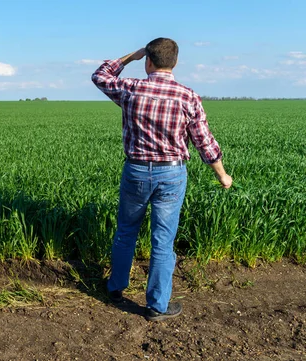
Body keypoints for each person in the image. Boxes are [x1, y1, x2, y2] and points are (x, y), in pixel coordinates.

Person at [91, 38, 233, 321]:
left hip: (136, 170)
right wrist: (222, 175)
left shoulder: (131, 89)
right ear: (176, 62)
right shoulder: (187, 96)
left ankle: (116, 287)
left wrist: (130, 57)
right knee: (162, 240)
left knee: (126, 232)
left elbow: (99, 75)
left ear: (148, 61)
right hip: (171, 173)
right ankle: (156, 305)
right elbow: (204, 142)